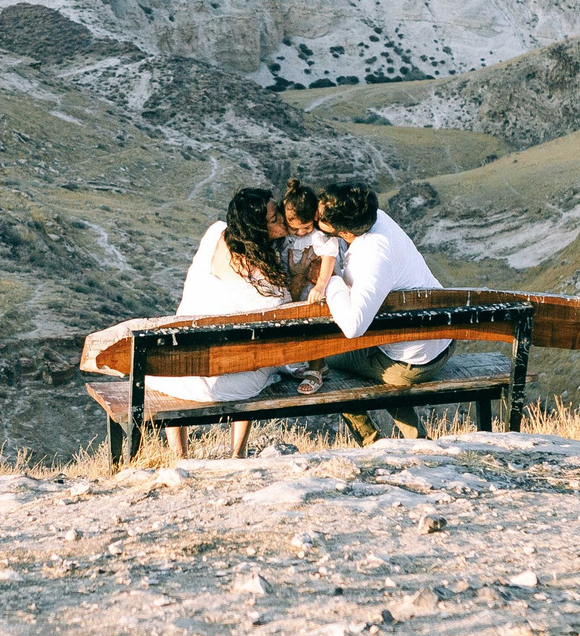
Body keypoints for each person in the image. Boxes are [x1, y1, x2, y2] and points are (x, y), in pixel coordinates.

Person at [150, 186, 292, 458]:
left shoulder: (215, 233)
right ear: (257, 230)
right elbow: (283, 316)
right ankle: (237, 452)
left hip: (173, 373)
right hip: (222, 382)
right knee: (258, 357)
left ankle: (179, 456)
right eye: (274, 219)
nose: (282, 221)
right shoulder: (264, 280)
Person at [311, 181, 453, 444]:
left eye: (321, 218)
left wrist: (330, 282)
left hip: (415, 362)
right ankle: (416, 438)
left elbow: (353, 327)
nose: (315, 217)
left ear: (344, 231)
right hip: (440, 339)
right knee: (368, 353)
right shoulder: (378, 219)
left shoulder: (373, 257)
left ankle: (371, 440)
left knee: (327, 360)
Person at [275, 178, 343, 392]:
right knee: (298, 327)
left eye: (305, 227)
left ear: (314, 217)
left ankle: (314, 370)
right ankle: (317, 364)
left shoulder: (319, 236)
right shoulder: (286, 236)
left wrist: (320, 286)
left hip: (314, 288)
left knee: (315, 325)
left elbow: (329, 257)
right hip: (295, 285)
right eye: (295, 229)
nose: (301, 233)